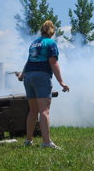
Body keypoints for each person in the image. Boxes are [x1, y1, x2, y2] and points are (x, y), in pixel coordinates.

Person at [17, 20, 69, 149]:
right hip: (41, 76)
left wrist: (22, 75)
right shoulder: (50, 43)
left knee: (33, 111)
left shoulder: (34, 43)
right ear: (52, 32)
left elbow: (29, 60)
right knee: (44, 111)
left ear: (41, 30)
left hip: (28, 76)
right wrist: (61, 82)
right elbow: (53, 62)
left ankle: (29, 141)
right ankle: (46, 142)